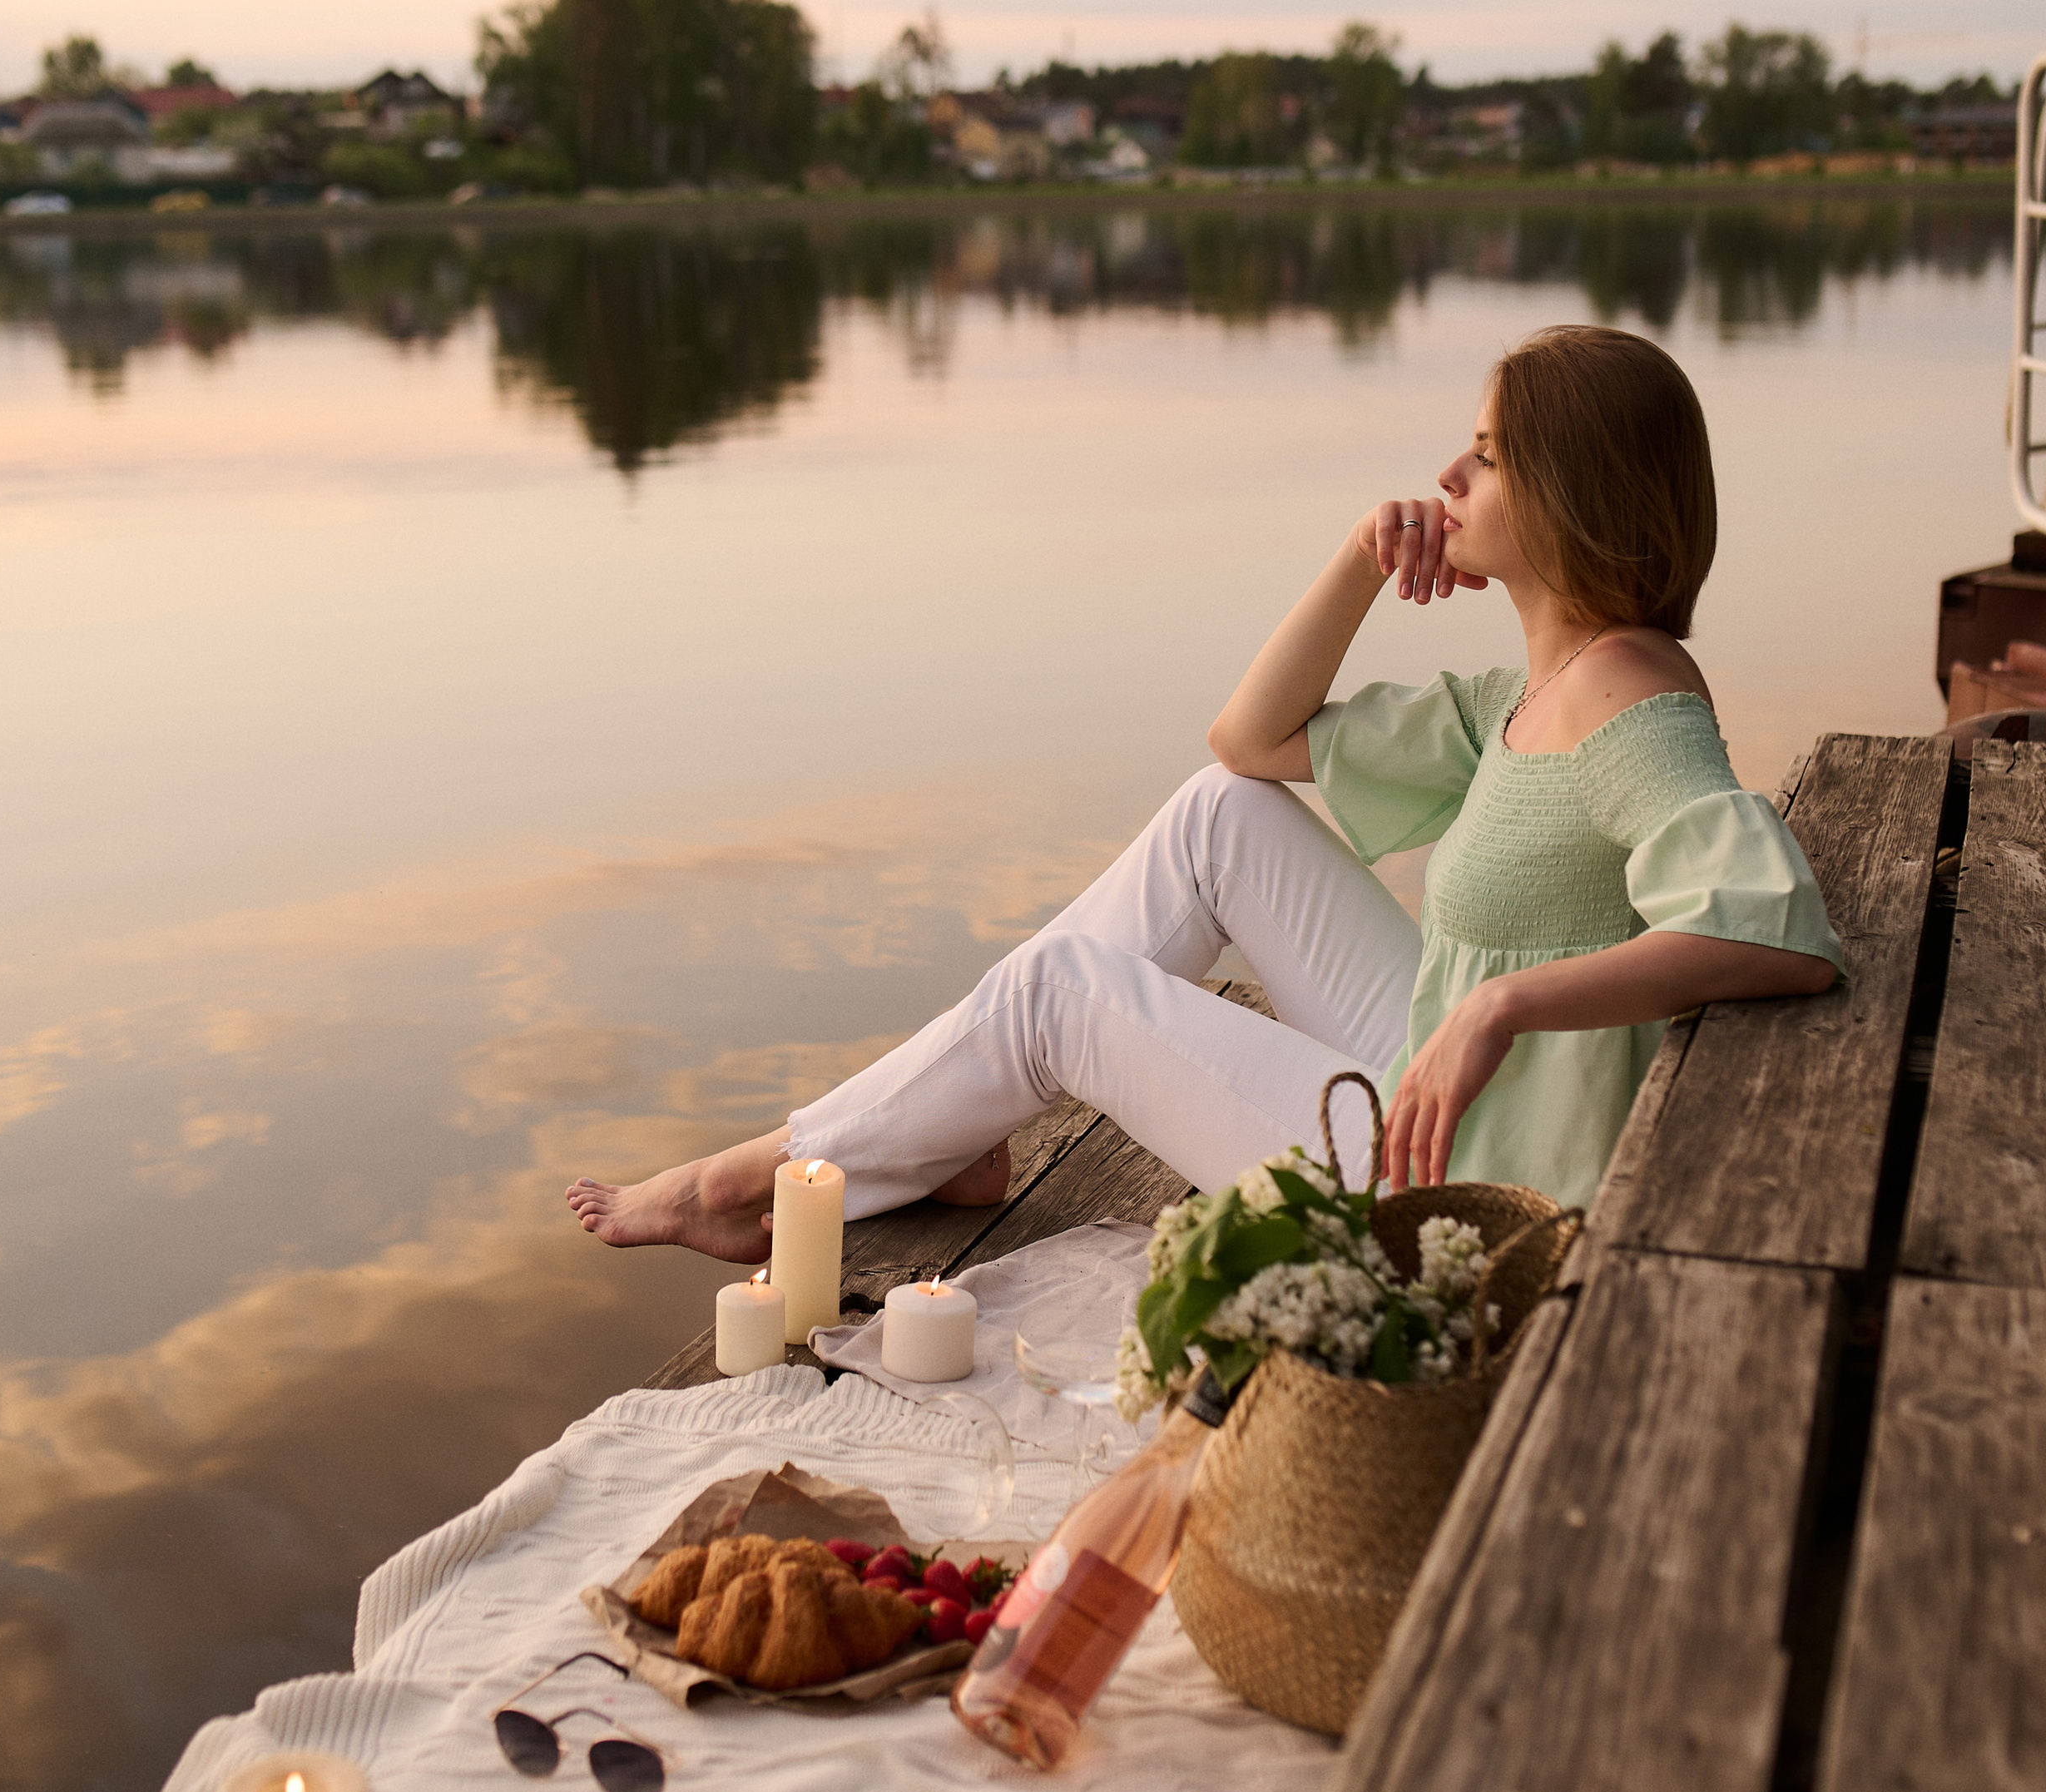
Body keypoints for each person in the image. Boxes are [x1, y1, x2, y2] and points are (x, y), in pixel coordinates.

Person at [567, 323, 1845, 1260]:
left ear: (1574, 497)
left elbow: (1769, 928)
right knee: (1216, 819)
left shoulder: (1631, 705)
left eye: (1489, 460)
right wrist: (1359, 561)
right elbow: (1249, 741)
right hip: (1439, 1088)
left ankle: (777, 1176)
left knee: (1058, 992)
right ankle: (924, 1135)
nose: (1449, 481)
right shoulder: (1528, 694)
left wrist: (1503, 1005)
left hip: (1462, 1180)